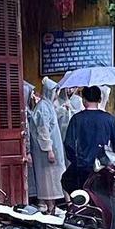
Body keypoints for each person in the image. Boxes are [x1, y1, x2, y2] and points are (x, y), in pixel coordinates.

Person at [61, 85, 115, 196]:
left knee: (72, 185)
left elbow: (69, 143)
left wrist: (76, 160)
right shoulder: (110, 119)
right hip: (104, 166)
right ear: (100, 100)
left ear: (83, 100)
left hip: (82, 166)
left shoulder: (76, 119)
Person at [26, 79, 66, 207]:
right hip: (46, 152)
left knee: (51, 178)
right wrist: (49, 150)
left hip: (50, 149)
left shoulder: (47, 106)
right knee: (49, 179)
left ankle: (50, 206)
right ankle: (50, 207)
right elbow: (43, 130)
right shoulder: (43, 107)